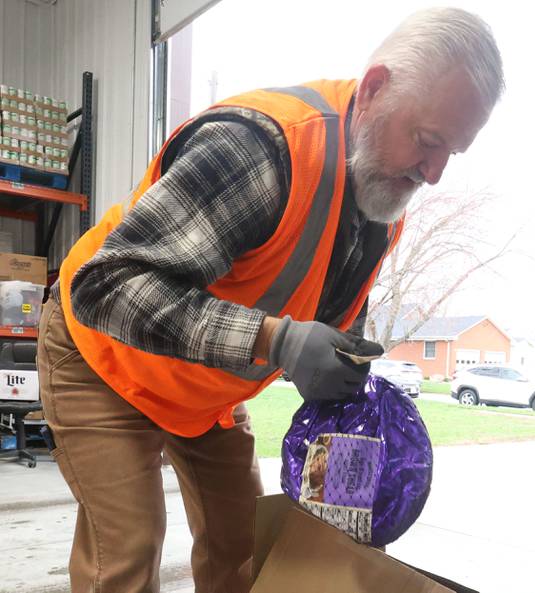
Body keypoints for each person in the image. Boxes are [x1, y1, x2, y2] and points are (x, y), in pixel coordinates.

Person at [37, 7, 504, 593]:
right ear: (377, 88)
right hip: (103, 356)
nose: (433, 173)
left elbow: (321, 306)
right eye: (428, 141)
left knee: (244, 550)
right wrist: (277, 341)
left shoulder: (379, 195)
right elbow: (108, 287)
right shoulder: (261, 151)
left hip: (203, 384)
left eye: (450, 154)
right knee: (127, 555)